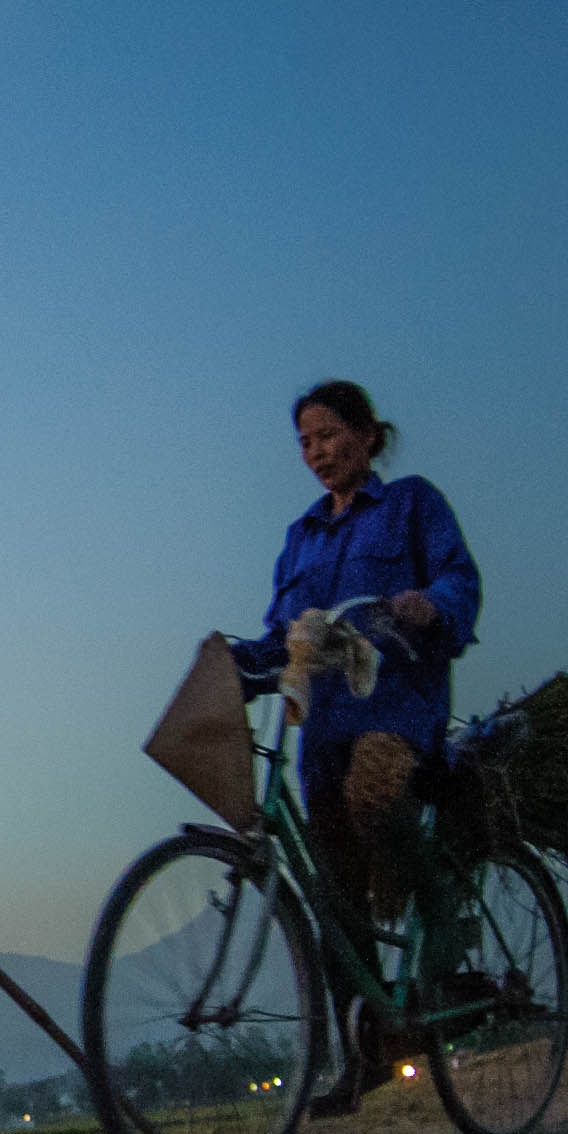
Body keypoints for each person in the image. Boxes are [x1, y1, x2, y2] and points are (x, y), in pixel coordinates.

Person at [231, 379, 481, 976]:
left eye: (328, 435)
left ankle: (442, 908)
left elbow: (459, 580)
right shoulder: (301, 538)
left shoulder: (412, 505)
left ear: (367, 436)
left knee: (373, 794)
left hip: (396, 710)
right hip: (324, 729)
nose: (316, 452)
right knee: (333, 880)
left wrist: (430, 604)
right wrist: (237, 662)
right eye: (305, 442)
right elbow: (280, 637)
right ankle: (367, 1040)